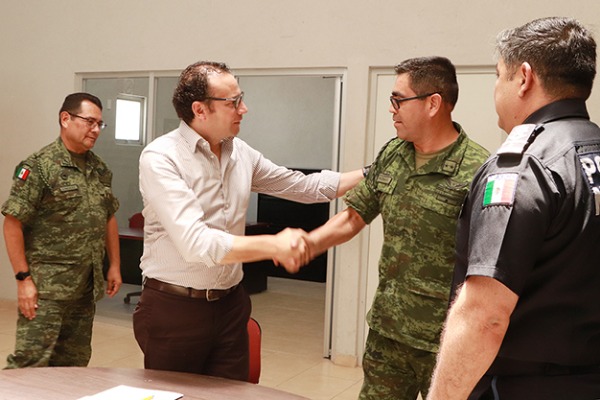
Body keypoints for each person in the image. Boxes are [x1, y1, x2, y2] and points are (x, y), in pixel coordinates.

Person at [133, 61, 363, 381]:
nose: (244, 108)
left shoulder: (240, 152)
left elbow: (303, 186)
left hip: (230, 305)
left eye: (241, 98)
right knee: (178, 394)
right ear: (200, 109)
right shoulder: (162, 157)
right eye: (233, 102)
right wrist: (274, 245)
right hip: (175, 307)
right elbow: (197, 243)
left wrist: (370, 173)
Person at [427, 17, 600, 400]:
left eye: (498, 75)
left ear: (523, 78)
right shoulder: (591, 150)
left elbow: (485, 316)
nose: (495, 88)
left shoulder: (523, 169)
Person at [305, 56, 489, 399]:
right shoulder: (393, 153)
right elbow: (355, 215)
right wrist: (308, 244)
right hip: (388, 332)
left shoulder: (478, 169)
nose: (391, 109)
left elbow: (488, 263)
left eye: (398, 100)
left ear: (433, 103)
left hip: (444, 339)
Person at [2, 92, 122, 368]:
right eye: (89, 122)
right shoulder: (38, 166)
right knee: (30, 363)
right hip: (47, 289)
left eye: (100, 124)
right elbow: (12, 223)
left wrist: (115, 265)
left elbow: (108, 216)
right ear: (65, 119)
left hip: (85, 288)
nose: (95, 130)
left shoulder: (99, 168)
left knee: (74, 365)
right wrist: (23, 280)